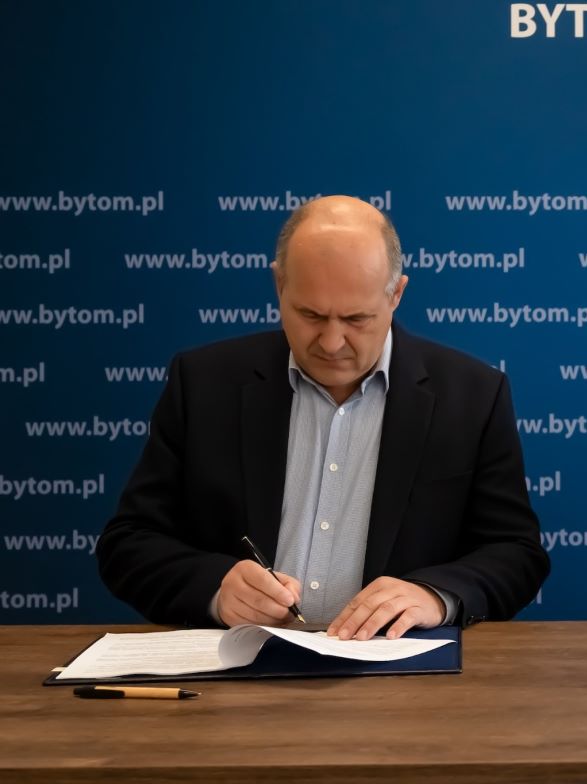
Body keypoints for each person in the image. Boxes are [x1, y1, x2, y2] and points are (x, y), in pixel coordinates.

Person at [97, 195, 549, 640]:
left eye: (356, 319)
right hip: (237, 670)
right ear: (279, 285)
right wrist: (216, 589)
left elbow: (517, 554)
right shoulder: (204, 384)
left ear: (396, 295)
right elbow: (128, 543)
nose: (332, 343)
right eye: (310, 315)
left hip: (400, 675)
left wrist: (435, 596)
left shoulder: (472, 396)